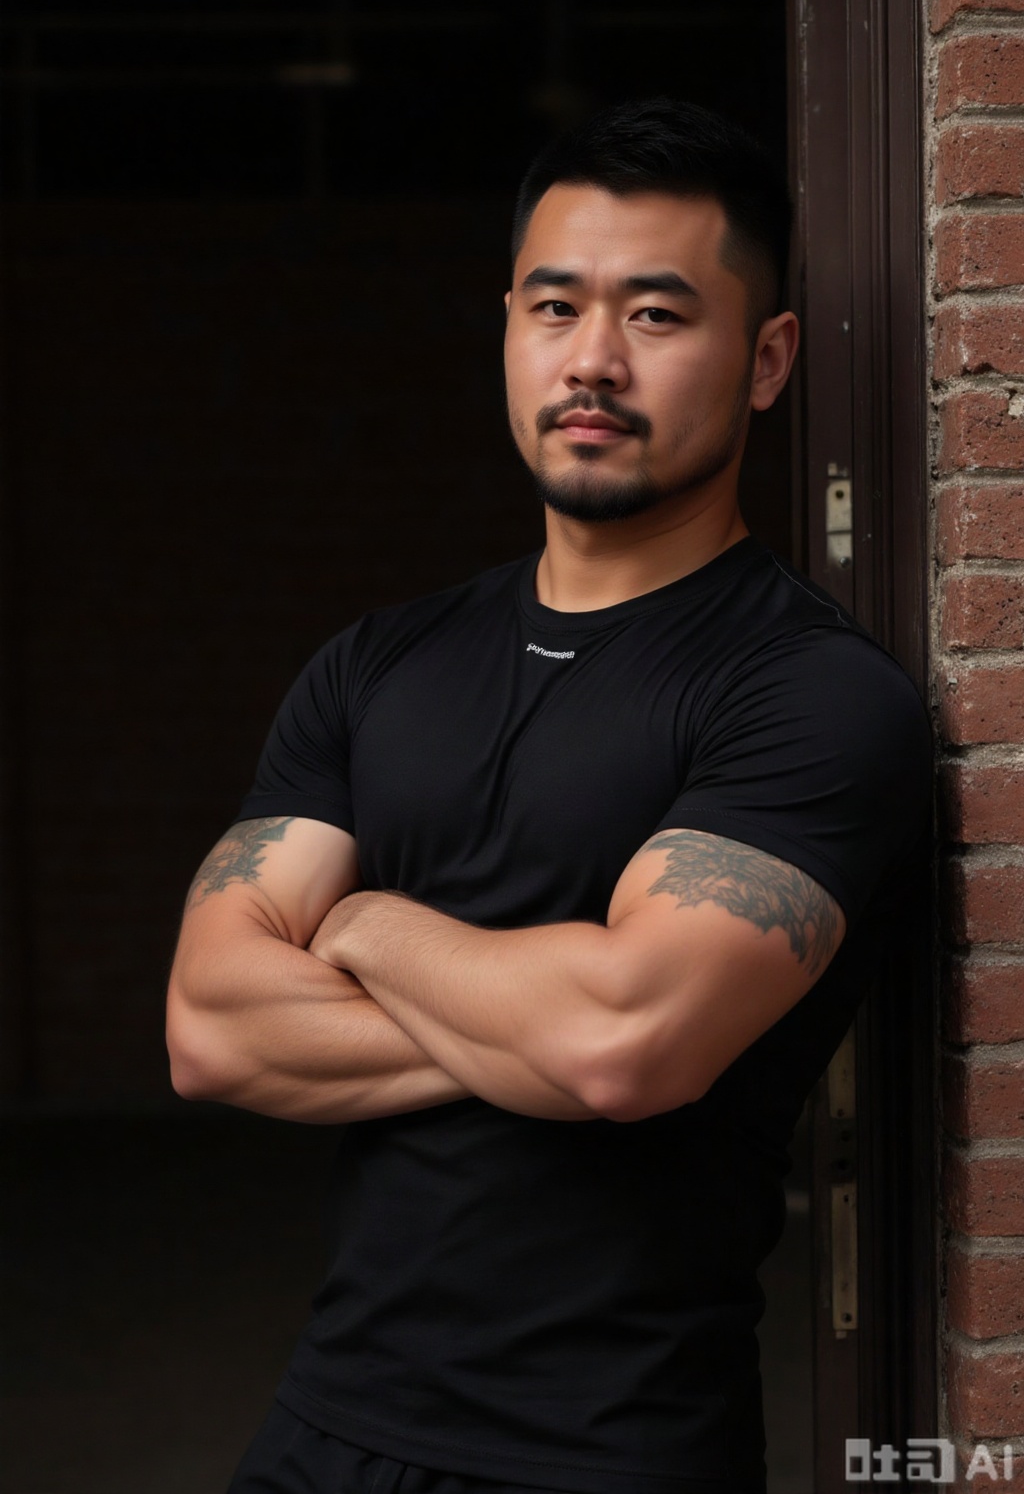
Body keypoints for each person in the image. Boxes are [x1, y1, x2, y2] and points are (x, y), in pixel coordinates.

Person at [166, 98, 931, 1494]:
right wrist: (544, 1020)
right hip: (323, 1434)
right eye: (554, 306)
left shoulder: (812, 695)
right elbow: (211, 1031)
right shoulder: (379, 663)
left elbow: (621, 1046)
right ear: (507, 328)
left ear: (766, 362)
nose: (591, 360)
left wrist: (363, 930)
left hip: (608, 1456)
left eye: (656, 315)